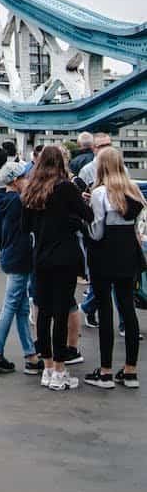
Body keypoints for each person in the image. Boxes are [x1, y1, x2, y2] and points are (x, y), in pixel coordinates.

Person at [21, 145, 92, 391]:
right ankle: (60, 370)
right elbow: (88, 215)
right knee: (62, 312)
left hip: (41, 256)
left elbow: (25, 225)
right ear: (61, 162)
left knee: (43, 311)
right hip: (64, 256)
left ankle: (48, 366)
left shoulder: (31, 189)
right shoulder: (65, 187)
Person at [83, 147, 143, 389]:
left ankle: (105, 371)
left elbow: (96, 233)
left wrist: (84, 218)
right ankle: (130, 371)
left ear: (102, 166)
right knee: (128, 310)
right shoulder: (134, 191)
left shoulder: (99, 193)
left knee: (105, 311)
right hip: (128, 254)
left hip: (104, 256)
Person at [0, 161, 43, 375]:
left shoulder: (1, 200)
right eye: (25, 178)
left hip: (10, 253)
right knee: (11, 306)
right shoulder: (20, 203)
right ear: (17, 181)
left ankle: (31, 355)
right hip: (21, 256)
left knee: (20, 308)